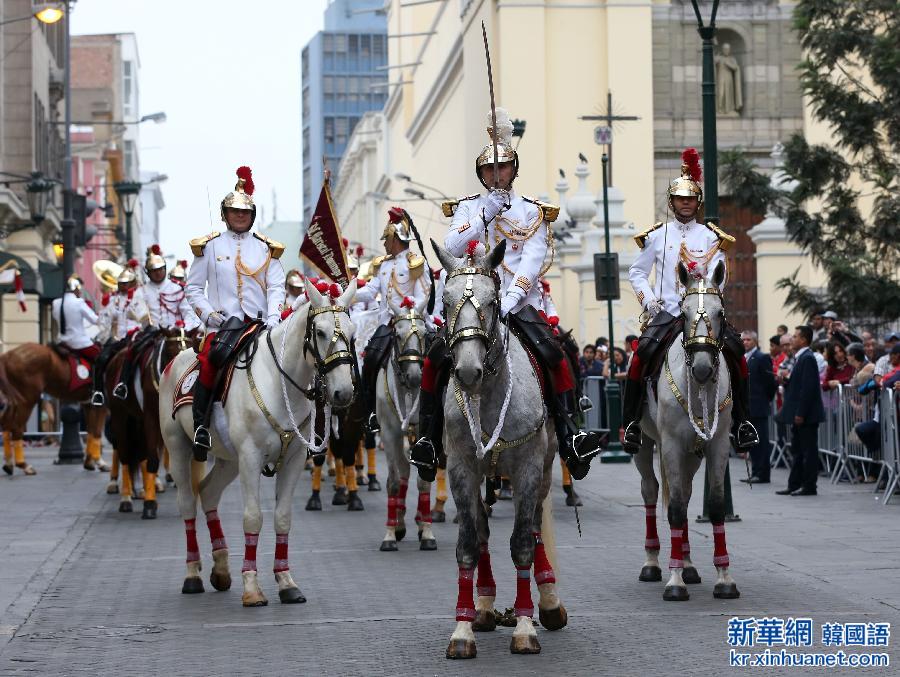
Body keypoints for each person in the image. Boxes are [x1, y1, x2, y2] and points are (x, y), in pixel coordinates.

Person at [409, 107, 602, 482]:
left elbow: (532, 261)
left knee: (553, 352)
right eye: (488, 170)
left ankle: (569, 433)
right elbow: (451, 244)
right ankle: (429, 439)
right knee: (435, 356)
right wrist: (484, 215)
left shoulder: (532, 212)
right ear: (481, 174)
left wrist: (510, 301)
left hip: (516, 304)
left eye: (502, 169)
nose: (495, 175)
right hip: (472, 302)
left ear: (514, 170)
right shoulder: (468, 207)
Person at [622, 147, 758, 453]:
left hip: (703, 313)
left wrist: (708, 293)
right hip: (668, 313)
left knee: (736, 351)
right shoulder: (657, 236)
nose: (686, 204)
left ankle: (743, 422)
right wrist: (649, 301)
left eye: (691, 199)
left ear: (698, 202)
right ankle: (631, 423)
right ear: (672, 203)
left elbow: (720, 273)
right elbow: (637, 272)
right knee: (641, 354)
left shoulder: (711, 237)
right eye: (681, 199)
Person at [185, 166, 286, 461]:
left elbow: (276, 287)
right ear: (225, 214)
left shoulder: (266, 249)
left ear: (252, 216)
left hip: (259, 324)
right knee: (211, 360)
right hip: (224, 326)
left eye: (245, 213)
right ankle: (201, 427)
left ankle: (292, 428)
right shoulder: (210, 246)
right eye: (234, 212)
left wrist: (273, 317)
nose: (240, 216)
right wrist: (209, 316)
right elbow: (193, 289)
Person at [353, 207, 431, 434]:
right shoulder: (383, 265)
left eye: (387, 239)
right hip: (388, 325)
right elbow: (370, 291)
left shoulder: (416, 263)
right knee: (370, 361)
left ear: (395, 238)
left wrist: (408, 312)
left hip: (414, 322)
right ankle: (372, 413)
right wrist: (348, 294)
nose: (385, 244)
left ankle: (435, 409)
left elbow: (423, 294)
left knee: (439, 357)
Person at [113, 245, 199, 399]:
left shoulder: (178, 289)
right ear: (148, 273)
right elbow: (139, 312)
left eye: (160, 269)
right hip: (152, 332)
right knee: (132, 349)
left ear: (165, 269)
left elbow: (188, 311)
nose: (158, 273)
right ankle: (123, 384)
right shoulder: (140, 291)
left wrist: (185, 327)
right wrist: (150, 325)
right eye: (154, 270)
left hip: (177, 332)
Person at [91, 261, 149, 406]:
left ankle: (124, 383)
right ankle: (98, 391)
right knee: (101, 358)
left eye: (126, 283)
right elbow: (105, 319)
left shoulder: (140, 296)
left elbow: (144, 317)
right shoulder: (113, 299)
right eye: (121, 283)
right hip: (118, 338)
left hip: (136, 334)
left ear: (132, 283)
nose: (123, 286)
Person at [776, 325, 825, 496]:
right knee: (797, 449)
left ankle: (809, 485)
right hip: (801, 413)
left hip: (807, 415)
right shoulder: (801, 358)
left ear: (803, 339)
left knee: (808, 451)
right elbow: (799, 384)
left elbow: (808, 388)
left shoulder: (808, 358)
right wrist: (788, 381)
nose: (792, 339)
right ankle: (794, 483)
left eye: (795, 336)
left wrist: (801, 413)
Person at [740, 330, 776, 484]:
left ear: (755, 341)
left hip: (759, 406)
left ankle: (763, 474)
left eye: (748, 340)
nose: (745, 342)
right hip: (747, 407)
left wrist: (765, 399)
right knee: (752, 441)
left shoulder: (762, 358)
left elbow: (770, 382)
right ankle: (755, 472)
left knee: (761, 442)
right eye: (743, 340)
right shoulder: (743, 358)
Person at [51, 275, 100, 362]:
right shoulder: (79, 302)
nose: (80, 292)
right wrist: (106, 317)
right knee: (100, 357)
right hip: (79, 343)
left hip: (61, 341)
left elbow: (55, 317)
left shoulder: (55, 302)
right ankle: (92, 375)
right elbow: (94, 320)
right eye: (79, 289)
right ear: (75, 289)